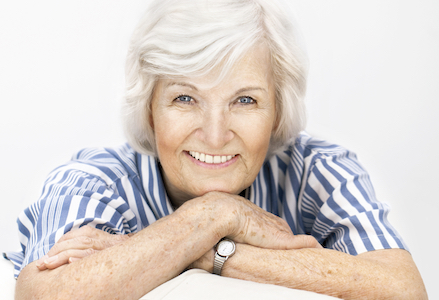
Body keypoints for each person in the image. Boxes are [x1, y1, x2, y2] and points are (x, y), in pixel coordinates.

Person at [7, 0, 427, 299]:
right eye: (185, 99)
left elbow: (404, 291)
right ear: (149, 110)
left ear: (278, 111)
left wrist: (206, 249)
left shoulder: (320, 170)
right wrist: (218, 214)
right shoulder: (90, 182)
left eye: (245, 100)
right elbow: (45, 296)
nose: (214, 134)